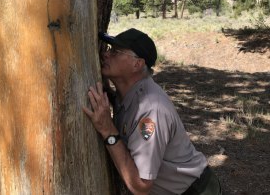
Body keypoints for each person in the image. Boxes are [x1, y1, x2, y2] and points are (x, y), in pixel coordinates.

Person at [83, 28, 222, 195]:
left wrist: (107, 130)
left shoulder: (151, 111)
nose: (106, 54)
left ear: (137, 64)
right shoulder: (128, 92)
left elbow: (141, 186)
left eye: (115, 51)